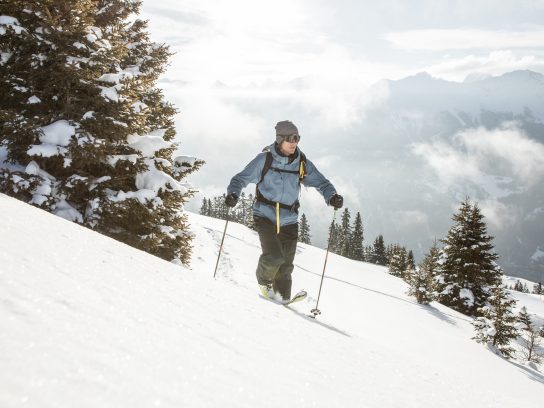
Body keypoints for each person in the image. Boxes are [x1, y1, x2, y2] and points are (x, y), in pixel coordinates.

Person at [225, 120, 343, 303]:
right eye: (290, 138)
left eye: (297, 138)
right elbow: (240, 179)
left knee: (286, 266)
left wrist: (332, 196)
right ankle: (263, 281)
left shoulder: (301, 162)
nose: (294, 142)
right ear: (280, 139)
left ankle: (282, 298)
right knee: (274, 257)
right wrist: (233, 194)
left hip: (289, 219)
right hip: (265, 215)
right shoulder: (264, 160)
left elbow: (322, 183)